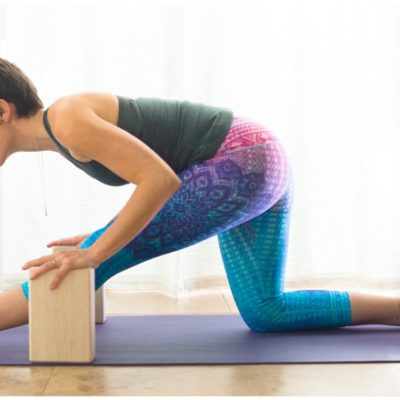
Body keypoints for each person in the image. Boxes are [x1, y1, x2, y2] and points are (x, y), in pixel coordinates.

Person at [0, 58, 399, 333]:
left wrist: (96, 248)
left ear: (2, 110)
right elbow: (167, 177)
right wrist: (100, 235)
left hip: (240, 162)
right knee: (266, 311)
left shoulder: (67, 119)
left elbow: (160, 181)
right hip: (253, 160)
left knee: (78, 268)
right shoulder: (64, 126)